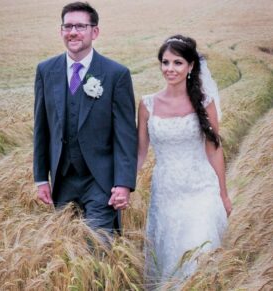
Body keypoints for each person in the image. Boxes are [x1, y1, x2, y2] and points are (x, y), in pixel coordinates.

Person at [33, 2, 137, 234]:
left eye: (80, 26)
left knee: (98, 246)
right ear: (61, 31)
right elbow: (41, 128)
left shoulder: (116, 74)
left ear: (95, 31)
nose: (73, 32)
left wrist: (124, 183)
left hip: (100, 181)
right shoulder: (45, 71)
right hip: (62, 180)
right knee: (66, 251)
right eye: (68, 26)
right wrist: (41, 179)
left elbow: (125, 135)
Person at [137, 34, 232, 287]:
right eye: (165, 62)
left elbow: (214, 149)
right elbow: (140, 152)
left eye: (177, 63)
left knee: (199, 254)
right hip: (166, 193)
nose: (170, 69)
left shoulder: (205, 103)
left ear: (190, 66)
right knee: (169, 258)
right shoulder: (147, 104)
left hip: (201, 190)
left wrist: (223, 194)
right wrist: (124, 186)